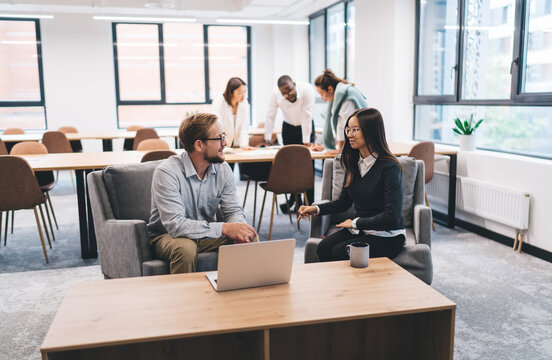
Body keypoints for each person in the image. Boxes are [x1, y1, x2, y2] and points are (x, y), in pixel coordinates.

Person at [147, 113, 258, 274]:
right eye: (219, 138)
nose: (225, 143)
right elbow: (176, 225)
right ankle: (185, 299)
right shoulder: (167, 172)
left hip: (206, 234)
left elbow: (233, 211)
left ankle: (238, 296)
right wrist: (224, 228)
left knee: (249, 236)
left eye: (224, 136)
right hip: (167, 236)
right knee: (185, 248)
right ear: (199, 145)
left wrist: (239, 229)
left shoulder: (223, 169)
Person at [297, 108, 405, 262]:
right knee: (323, 248)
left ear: (371, 131)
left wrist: (355, 222)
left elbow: (392, 217)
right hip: (360, 230)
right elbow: (344, 202)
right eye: (348, 129)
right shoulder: (353, 163)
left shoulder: (390, 167)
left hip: (387, 235)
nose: (349, 134)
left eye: (355, 130)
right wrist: (316, 209)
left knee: (339, 252)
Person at [264, 75, 318, 213]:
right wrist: (267, 139)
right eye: (284, 93)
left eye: (290, 90)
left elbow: (307, 115)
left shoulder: (307, 89)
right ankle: (296, 200)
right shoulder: (275, 94)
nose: (288, 95)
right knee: (291, 168)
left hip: (306, 128)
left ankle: (309, 202)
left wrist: (306, 142)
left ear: (294, 84)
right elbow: (270, 115)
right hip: (288, 127)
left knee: (307, 167)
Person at [314, 69, 368, 152]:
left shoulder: (346, 99)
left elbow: (346, 126)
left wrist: (339, 149)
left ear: (330, 89)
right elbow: (341, 126)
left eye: (322, 94)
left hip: (360, 145)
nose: (322, 98)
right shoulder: (340, 96)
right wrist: (328, 146)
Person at [212, 77, 250, 149]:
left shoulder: (244, 103)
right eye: (239, 93)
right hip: (221, 144)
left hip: (237, 144)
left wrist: (244, 145)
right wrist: (221, 144)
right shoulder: (219, 101)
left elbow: (244, 127)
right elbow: (217, 125)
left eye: (244, 92)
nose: (243, 96)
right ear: (231, 93)